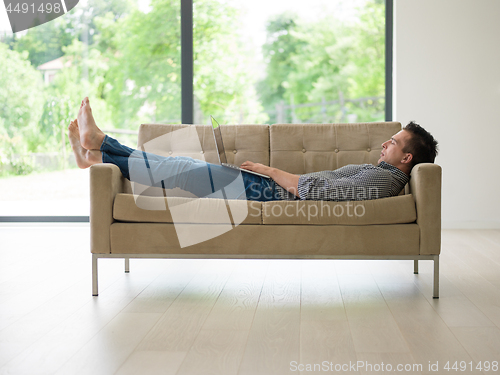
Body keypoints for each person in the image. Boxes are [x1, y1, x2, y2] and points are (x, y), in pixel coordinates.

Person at [69, 97, 438, 202]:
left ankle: (100, 145)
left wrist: (269, 172)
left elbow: (318, 190)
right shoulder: (383, 174)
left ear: (407, 159)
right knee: (179, 165)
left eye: (394, 142)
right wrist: (266, 171)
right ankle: (97, 155)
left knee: (180, 171)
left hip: (268, 192)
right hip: (266, 187)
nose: (385, 142)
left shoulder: (384, 180)